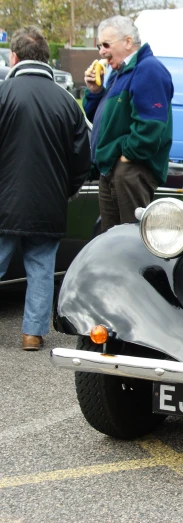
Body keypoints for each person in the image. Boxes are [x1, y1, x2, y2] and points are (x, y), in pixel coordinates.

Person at [0, 26, 91, 350]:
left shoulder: (3, 93)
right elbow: (82, 158)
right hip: (48, 203)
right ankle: (32, 334)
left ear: (14, 56)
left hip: (4, 201)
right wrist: (65, 190)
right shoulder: (68, 103)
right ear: (46, 58)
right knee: (41, 269)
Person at [83, 16, 174, 231]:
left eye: (106, 45)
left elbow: (151, 126)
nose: (101, 52)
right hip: (114, 169)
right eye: (99, 46)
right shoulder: (121, 72)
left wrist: (125, 157)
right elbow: (100, 118)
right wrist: (95, 92)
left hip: (130, 171)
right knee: (110, 242)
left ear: (127, 41)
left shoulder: (148, 69)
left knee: (131, 241)